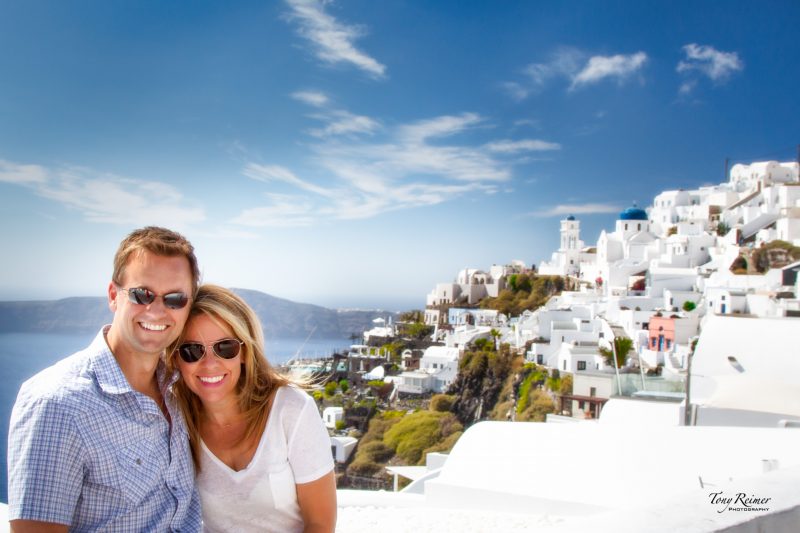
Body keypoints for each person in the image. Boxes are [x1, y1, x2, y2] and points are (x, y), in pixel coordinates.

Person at [8, 226, 202, 532]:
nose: (156, 310)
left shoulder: (180, 386)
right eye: (142, 294)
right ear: (114, 295)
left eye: (175, 299)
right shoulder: (57, 403)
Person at [166, 284, 336, 533]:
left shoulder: (291, 410)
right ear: (176, 358)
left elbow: (320, 524)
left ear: (245, 351)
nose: (210, 364)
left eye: (225, 348)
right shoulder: (175, 421)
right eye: (192, 351)